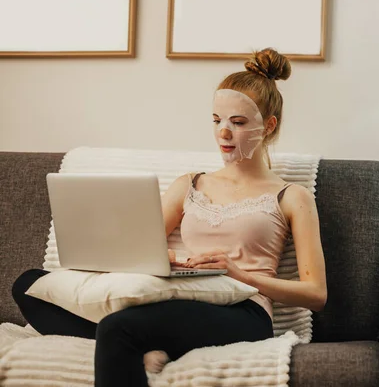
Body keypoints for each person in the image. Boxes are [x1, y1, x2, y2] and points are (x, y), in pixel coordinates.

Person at [11, 47, 328, 387]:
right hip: (182, 297)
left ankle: (136, 340)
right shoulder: (189, 185)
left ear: (268, 126)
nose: (223, 132)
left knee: (118, 328)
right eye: (216, 120)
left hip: (242, 310)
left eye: (237, 122)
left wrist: (238, 273)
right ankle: (147, 342)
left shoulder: (291, 196)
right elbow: (134, 248)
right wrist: (170, 260)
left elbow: (315, 294)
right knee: (30, 286)